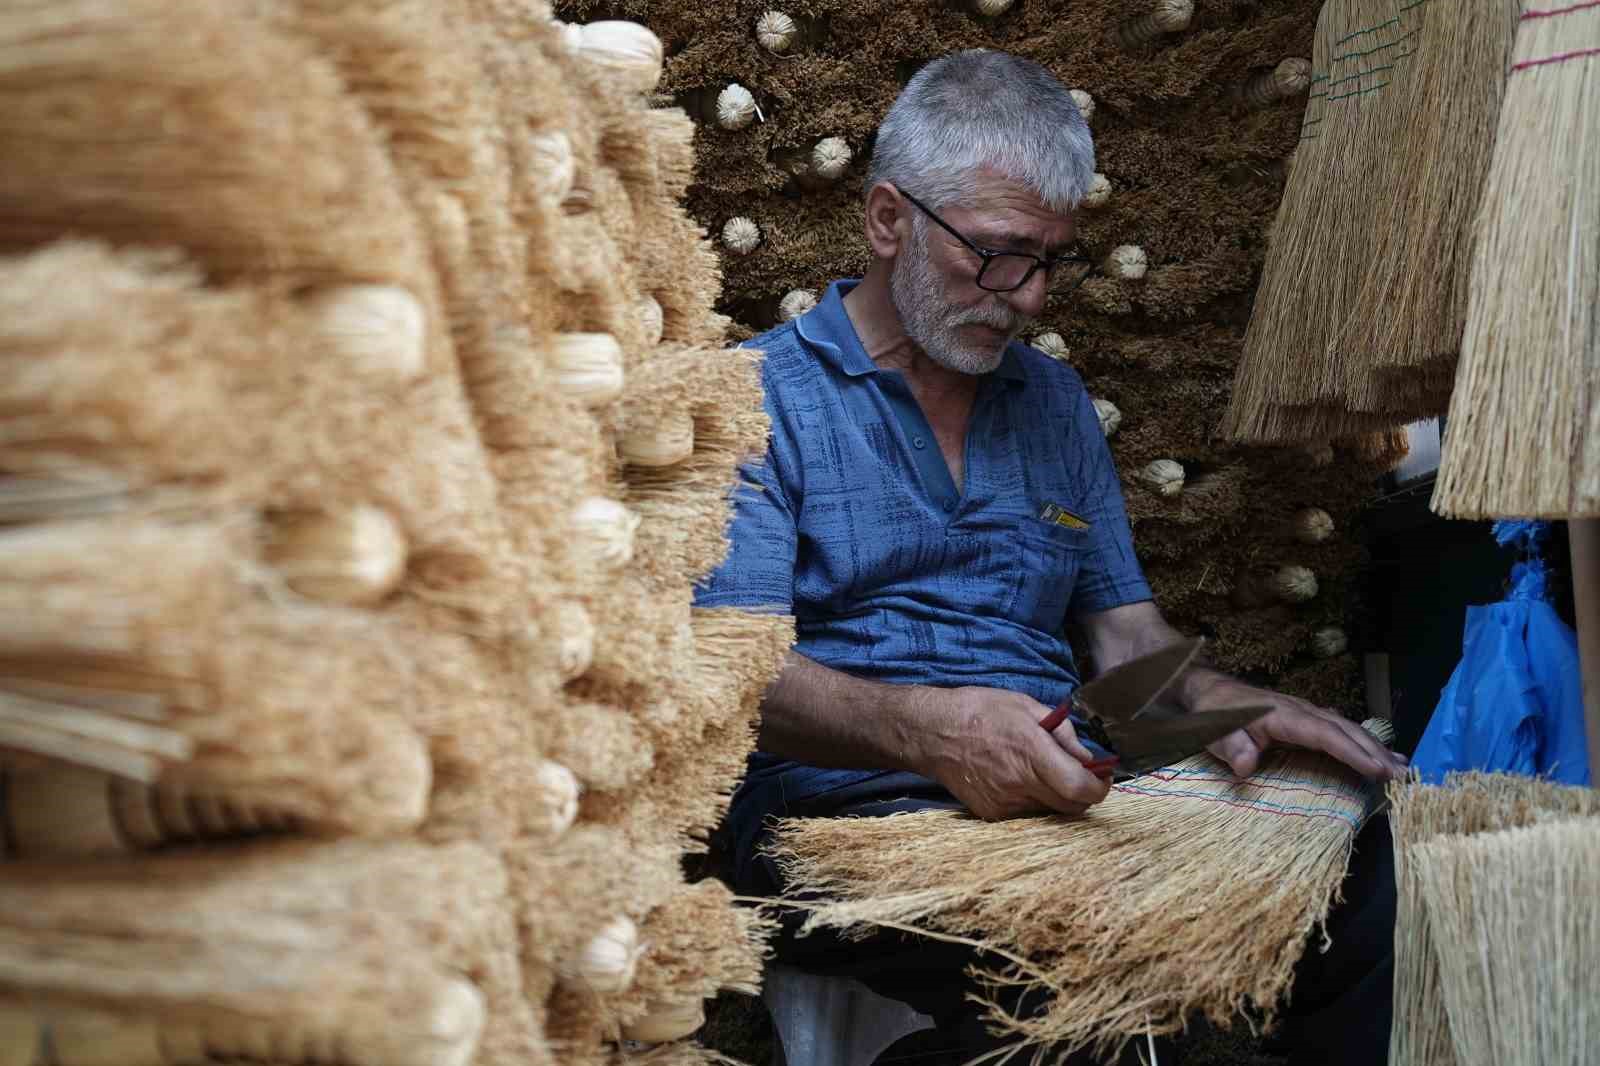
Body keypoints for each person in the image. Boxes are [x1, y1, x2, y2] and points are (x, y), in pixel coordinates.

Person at [695, 49, 1406, 1065]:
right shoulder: (752, 399)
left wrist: (1220, 700)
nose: (1028, 296)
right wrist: (929, 730)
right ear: (889, 219)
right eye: (995, 254)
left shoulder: (1053, 402)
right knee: (1097, 1011)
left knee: (1371, 886)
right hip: (841, 820)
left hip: (1057, 790)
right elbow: (736, 679)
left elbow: (1127, 643)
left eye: (1052, 260)